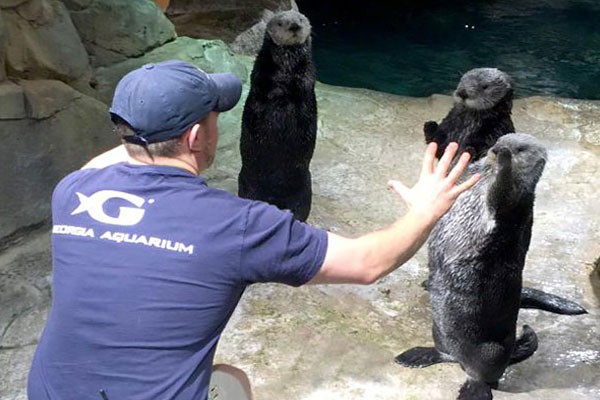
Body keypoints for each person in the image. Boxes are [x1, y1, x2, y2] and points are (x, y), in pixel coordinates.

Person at [27, 60, 479, 400]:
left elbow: (107, 161)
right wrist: (425, 209)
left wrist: (143, 128)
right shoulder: (238, 225)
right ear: (195, 138)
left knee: (224, 379)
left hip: (48, 392)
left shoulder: (73, 193)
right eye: (213, 115)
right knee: (234, 383)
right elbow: (368, 263)